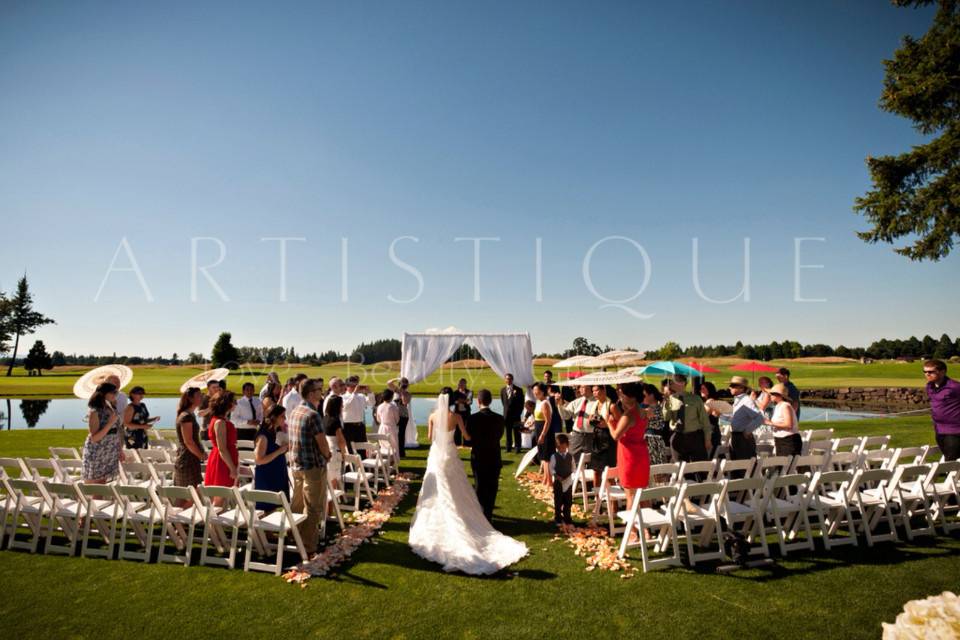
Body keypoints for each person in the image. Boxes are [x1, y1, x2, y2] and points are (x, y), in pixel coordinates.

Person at [408, 392, 527, 574]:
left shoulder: (432, 416)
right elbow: (466, 436)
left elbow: (431, 436)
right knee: (456, 486)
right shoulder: (456, 416)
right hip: (450, 453)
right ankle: (473, 514)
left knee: (437, 487)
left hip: (437, 454)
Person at [288, 378, 332, 556]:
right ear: (311, 393)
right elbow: (322, 442)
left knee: (297, 503)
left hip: (296, 465)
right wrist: (328, 455)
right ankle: (308, 546)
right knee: (313, 506)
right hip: (312, 466)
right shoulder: (312, 414)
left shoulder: (295, 411)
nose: (321, 393)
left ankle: (293, 535)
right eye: (319, 390)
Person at [610, 382, 650, 534]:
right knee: (641, 492)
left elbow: (616, 435)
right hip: (640, 454)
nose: (619, 396)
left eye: (621, 393)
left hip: (629, 456)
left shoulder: (628, 415)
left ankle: (632, 530)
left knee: (630, 495)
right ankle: (645, 528)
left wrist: (609, 423)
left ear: (628, 396)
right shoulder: (642, 411)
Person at [466, 389, 505, 522]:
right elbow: (500, 436)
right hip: (494, 456)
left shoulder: (472, 418)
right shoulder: (499, 418)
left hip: (478, 456)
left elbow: (468, 440)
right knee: (492, 486)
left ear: (478, 401)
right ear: (491, 401)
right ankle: (488, 515)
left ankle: (480, 515)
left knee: (479, 485)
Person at [663, 374, 711, 463]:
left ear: (683, 383)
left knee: (699, 467)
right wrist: (666, 403)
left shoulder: (695, 399)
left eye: (674, 381)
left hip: (694, 437)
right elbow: (666, 418)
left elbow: (704, 421)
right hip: (677, 436)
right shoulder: (670, 399)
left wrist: (707, 439)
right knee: (680, 467)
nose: (671, 384)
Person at [82, 382, 124, 483]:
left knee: (103, 484)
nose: (116, 394)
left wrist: (120, 449)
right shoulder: (95, 411)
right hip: (98, 451)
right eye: (113, 392)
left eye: (117, 392)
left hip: (111, 449)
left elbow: (116, 431)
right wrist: (110, 423)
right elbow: (94, 438)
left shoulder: (111, 408)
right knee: (97, 486)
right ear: (104, 394)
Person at [205, 392, 239, 503]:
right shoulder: (220, 422)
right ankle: (213, 520)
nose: (236, 403)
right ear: (227, 404)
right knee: (219, 498)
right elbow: (222, 449)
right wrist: (232, 468)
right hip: (222, 462)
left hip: (224, 459)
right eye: (234, 401)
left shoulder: (219, 420)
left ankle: (214, 519)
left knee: (222, 498)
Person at [254, 405, 290, 510]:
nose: (285, 419)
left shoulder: (274, 432)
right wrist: (280, 451)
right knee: (266, 507)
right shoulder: (263, 436)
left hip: (276, 472)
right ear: (274, 417)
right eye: (282, 416)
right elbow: (259, 460)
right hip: (267, 476)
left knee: (273, 507)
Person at [925, 359, 960, 461]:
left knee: (951, 461)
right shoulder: (929, 386)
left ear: (943, 372)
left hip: (955, 431)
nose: (927, 374)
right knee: (948, 458)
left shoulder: (955, 387)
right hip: (939, 429)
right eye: (925, 372)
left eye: (931, 372)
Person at [174, 387, 206, 490]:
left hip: (190, 458)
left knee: (188, 496)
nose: (201, 397)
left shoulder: (189, 414)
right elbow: (188, 441)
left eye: (201, 395)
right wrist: (201, 455)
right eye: (198, 396)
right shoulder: (186, 416)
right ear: (190, 399)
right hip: (187, 460)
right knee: (190, 496)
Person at [531, 383, 561, 486]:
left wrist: (543, 434)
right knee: (543, 456)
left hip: (546, 432)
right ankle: (545, 479)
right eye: (534, 391)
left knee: (547, 457)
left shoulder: (544, 403)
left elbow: (548, 421)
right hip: (539, 430)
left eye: (537, 391)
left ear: (542, 391)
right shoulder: (538, 402)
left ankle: (549, 481)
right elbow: (538, 418)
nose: (535, 393)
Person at [728, 376, 764, 461]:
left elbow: (759, 418)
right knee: (736, 467)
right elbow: (736, 418)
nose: (730, 387)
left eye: (733, 385)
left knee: (745, 467)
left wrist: (747, 431)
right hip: (736, 436)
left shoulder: (746, 400)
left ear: (741, 388)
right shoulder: (738, 400)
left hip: (742, 438)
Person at [589, 385, 617, 487]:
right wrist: (591, 420)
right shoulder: (594, 405)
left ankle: (613, 502)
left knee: (609, 473)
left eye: (596, 390)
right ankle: (598, 500)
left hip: (608, 440)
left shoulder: (612, 406)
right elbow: (589, 421)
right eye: (593, 391)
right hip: (597, 440)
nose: (594, 393)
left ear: (603, 390)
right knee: (596, 472)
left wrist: (608, 424)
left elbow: (620, 422)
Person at [558, 384, 594, 462]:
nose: (579, 389)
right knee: (573, 458)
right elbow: (565, 415)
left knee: (590, 459)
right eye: (579, 387)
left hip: (590, 436)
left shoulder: (597, 402)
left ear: (590, 388)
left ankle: (587, 473)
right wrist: (559, 405)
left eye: (582, 387)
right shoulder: (577, 402)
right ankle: (576, 473)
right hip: (577, 435)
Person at [340, 376, 375, 453]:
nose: (354, 387)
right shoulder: (342, 397)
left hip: (360, 426)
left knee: (362, 448)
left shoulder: (361, 396)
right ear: (346, 386)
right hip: (348, 426)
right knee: (350, 449)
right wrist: (354, 393)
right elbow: (346, 406)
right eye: (352, 386)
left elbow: (371, 403)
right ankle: (351, 465)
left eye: (356, 385)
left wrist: (369, 392)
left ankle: (363, 464)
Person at [765, 383, 801, 457]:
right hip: (780, 439)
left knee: (787, 466)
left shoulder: (785, 406)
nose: (770, 396)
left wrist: (770, 423)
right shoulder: (778, 406)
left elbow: (789, 425)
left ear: (779, 395)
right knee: (781, 465)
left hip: (788, 440)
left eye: (772, 394)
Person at [322, 395, 349, 486]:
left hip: (327, 449)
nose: (342, 406)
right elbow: (341, 440)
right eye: (341, 405)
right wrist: (344, 453)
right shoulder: (335, 420)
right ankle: (333, 500)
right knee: (334, 478)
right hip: (335, 450)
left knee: (330, 476)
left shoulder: (325, 418)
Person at [549, 433, 575, 527]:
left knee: (568, 501)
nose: (562, 450)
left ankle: (567, 518)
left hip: (568, 482)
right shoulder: (554, 457)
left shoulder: (570, 457)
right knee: (558, 501)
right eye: (559, 448)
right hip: (558, 482)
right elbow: (551, 468)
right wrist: (556, 476)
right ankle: (558, 518)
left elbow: (573, 468)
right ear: (557, 447)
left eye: (563, 447)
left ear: (567, 446)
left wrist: (570, 475)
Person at [642, 384, 670, 465]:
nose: (642, 397)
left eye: (644, 395)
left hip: (651, 441)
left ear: (651, 395)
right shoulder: (661, 407)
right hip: (658, 440)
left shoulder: (649, 410)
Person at [500, 373, 526, 454]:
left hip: (516, 415)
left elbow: (522, 403)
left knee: (517, 432)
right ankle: (508, 447)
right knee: (508, 432)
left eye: (510, 379)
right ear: (505, 380)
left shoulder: (518, 390)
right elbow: (503, 402)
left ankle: (518, 447)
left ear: (512, 379)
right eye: (507, 379)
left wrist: (518, 412)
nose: (508, 380)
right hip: (506, 415)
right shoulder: (503, 390)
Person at [376, 388, 401, 462]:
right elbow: (397, 419)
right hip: (391, 428)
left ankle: (386, 461)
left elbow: (378, 419)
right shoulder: (393, 407)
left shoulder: (379, 406)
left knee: (383, 445)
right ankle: (393, 462)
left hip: (382, 428)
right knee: (393, 446)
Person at [700, 381, 722, 457]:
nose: (701, 390)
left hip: (711, 431)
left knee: (710, 455)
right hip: (714, 430)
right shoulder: (711, 400)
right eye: (701, 389)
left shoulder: (710, 401)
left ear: (709, 390)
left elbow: (703, 416)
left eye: (703, 389)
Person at [451, 378, 473, 446]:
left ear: (465, 384)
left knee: (466, 428)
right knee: (457, 429)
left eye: (463, 383)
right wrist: (464, 400)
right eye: (460, 383)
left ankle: (467, 443)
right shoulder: (455, 392)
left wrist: (460, 400)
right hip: (457, 413)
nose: (461, 385)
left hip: (466, 413)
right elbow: (454, 402)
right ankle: (457, 443)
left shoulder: (469, 392)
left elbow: (469, 402)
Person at [395, 379, 411, 458]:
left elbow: (405, 402)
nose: (404, 386)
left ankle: (401, 452)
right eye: (402, 384)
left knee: (401, 434)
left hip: (403, 416)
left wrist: (402, 392)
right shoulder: (395, 391)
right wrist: (397, 379)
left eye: (405, 385)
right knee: (394, 434)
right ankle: (394, 451)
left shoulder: (407, 394)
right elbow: (389, 383)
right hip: (394, 416)